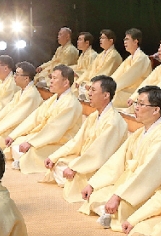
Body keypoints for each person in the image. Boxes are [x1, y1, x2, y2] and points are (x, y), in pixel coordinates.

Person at [79, 86, 161, 231]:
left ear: (156, 110)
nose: (136, 107)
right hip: (126, 182)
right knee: (95, 197)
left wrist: (119, 196)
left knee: (119, 208)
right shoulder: (140, 132)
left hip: (144, 190)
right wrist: (93, 184)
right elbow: (116, 161)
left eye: (141, 104)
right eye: (137, 103)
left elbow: (147, 174)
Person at [43, 75, 127, 203]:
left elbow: (98, 153)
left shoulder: (113, 122)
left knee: (73, 179)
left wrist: (76, 167)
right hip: (85, 160)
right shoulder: (94, 116)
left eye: (93, 90)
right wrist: (54, 156)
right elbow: (76, 141)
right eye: (89, 90)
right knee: (58, 164)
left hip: (100, 166)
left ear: (106, 95)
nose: (89, 93)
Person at [6, 64, 82, 174]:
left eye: (55, 78)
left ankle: (24, 160)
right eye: (51, 77)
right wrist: (13, 135)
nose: (50, 81)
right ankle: (22, 158)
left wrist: (31, 143)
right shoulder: (54, 98)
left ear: (66, 82)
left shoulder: (71, 103)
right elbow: (34, 118)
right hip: (44, 136)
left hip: (61, 141)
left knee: (31, 152)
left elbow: (54, 130)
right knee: (16, 143)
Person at [0, 61, 43, 148]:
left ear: (26, 78)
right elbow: (7, 109)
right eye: (15, 73)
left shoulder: (31, 95)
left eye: (17, 74)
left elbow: (18, 116)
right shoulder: (21, 92)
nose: (14, 76)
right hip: (13, 124)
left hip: (21, 127)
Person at [111, 28, 152, 108]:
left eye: (127, 39)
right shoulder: (130, 58)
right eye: (124, 39)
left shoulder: (141, 58)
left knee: (113, 97)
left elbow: (128, 78)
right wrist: (106, 84)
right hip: (127, 89)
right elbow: (118, 74)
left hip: (137, 91)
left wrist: (111, 88)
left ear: (135, 41)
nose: (124, 42)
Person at [73, 29, 123, 95]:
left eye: (103, 38)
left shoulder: (113, 55)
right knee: (75, 84)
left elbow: (105, 72)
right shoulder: (101, 55)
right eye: (100, 38)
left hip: (104, 84)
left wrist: (91, 83)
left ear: (110, 41)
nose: (100, 40)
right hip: (91, 81)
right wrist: (80, 81)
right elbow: (90, 70)